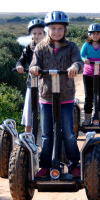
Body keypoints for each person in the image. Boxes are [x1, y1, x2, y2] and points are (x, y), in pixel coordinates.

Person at [29, 11, 83, 178]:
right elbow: (34, 64)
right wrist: (35, 68)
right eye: (53, 28)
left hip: (66, 96)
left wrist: (75, 67)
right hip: (46, 97)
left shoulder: (71, 47)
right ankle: (45, 166)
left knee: (68, 133)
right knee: (46, 135)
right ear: (48, 30)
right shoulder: (41, 47)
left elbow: (78, 62)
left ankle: (74, 164)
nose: (57, 32)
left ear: (65, 30)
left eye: (60, 28)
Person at [16, 19, 46, 133]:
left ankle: (48, 139)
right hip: (31, 83)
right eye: (34, 33)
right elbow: (21, 61)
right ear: (31, 35)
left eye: (40, 33)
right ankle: (27, 139)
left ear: (44, 34)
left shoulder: (49, 48)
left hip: (46, 84)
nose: (37, 36)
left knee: (47, 112)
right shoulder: (29, 47)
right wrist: (19, 66)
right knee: (28, 113)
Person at [80, 23, 100, 126]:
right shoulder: (86, 45)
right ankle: (87, 118)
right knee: (88, 96)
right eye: (93, 34)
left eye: (98, 34)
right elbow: (81, 55)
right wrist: (84, 59)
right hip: (88, 73)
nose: (95, 36)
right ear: (89, 35)